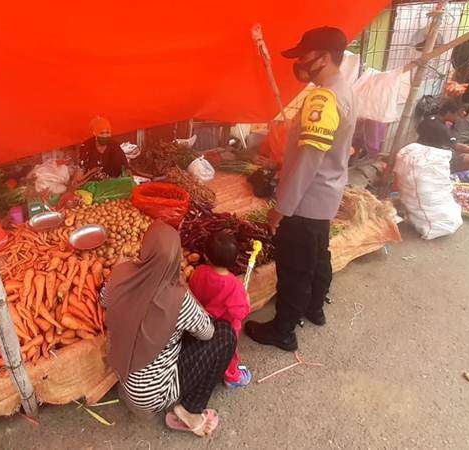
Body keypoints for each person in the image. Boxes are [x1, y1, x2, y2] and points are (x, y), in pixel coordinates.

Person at [244, 27, 357, 352]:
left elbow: (309, 159)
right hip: (326, 195)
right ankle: (315, 308)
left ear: (323, 57)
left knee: (294, 266)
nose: (301, 65)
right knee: (319, 255)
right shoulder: (345, 90)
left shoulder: (323, 97)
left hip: (306, 200)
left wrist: (281, 207)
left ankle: (283, 330)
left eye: (305, 56)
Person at [102, 221, 236, 437]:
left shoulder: (121, 272)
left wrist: (121, 269)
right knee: (225, 334)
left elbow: (105, 299)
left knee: (173, 331)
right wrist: (186, 292)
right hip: (153, 395)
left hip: (124, 378)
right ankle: (190, 410)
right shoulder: (178, 298)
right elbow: (208, 333)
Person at [188, 231, 252, 389]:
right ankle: (232, 377)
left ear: (206, 255)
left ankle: (205, 369)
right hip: (226, 329)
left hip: (202, 322)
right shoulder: (234, 285)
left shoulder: (198, 272)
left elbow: (194, 292)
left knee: (204, 348)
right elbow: (240, 313)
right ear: (236, 259)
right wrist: (247, 300)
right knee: (229, 354)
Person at [417, 100, 469, 172]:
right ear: (449, 113)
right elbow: (457, 147)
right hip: (434, 157)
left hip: (426, 151)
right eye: (458, 114)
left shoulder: (429, 118)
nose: (460, 116)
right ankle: (448, 172)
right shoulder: (441, 127)